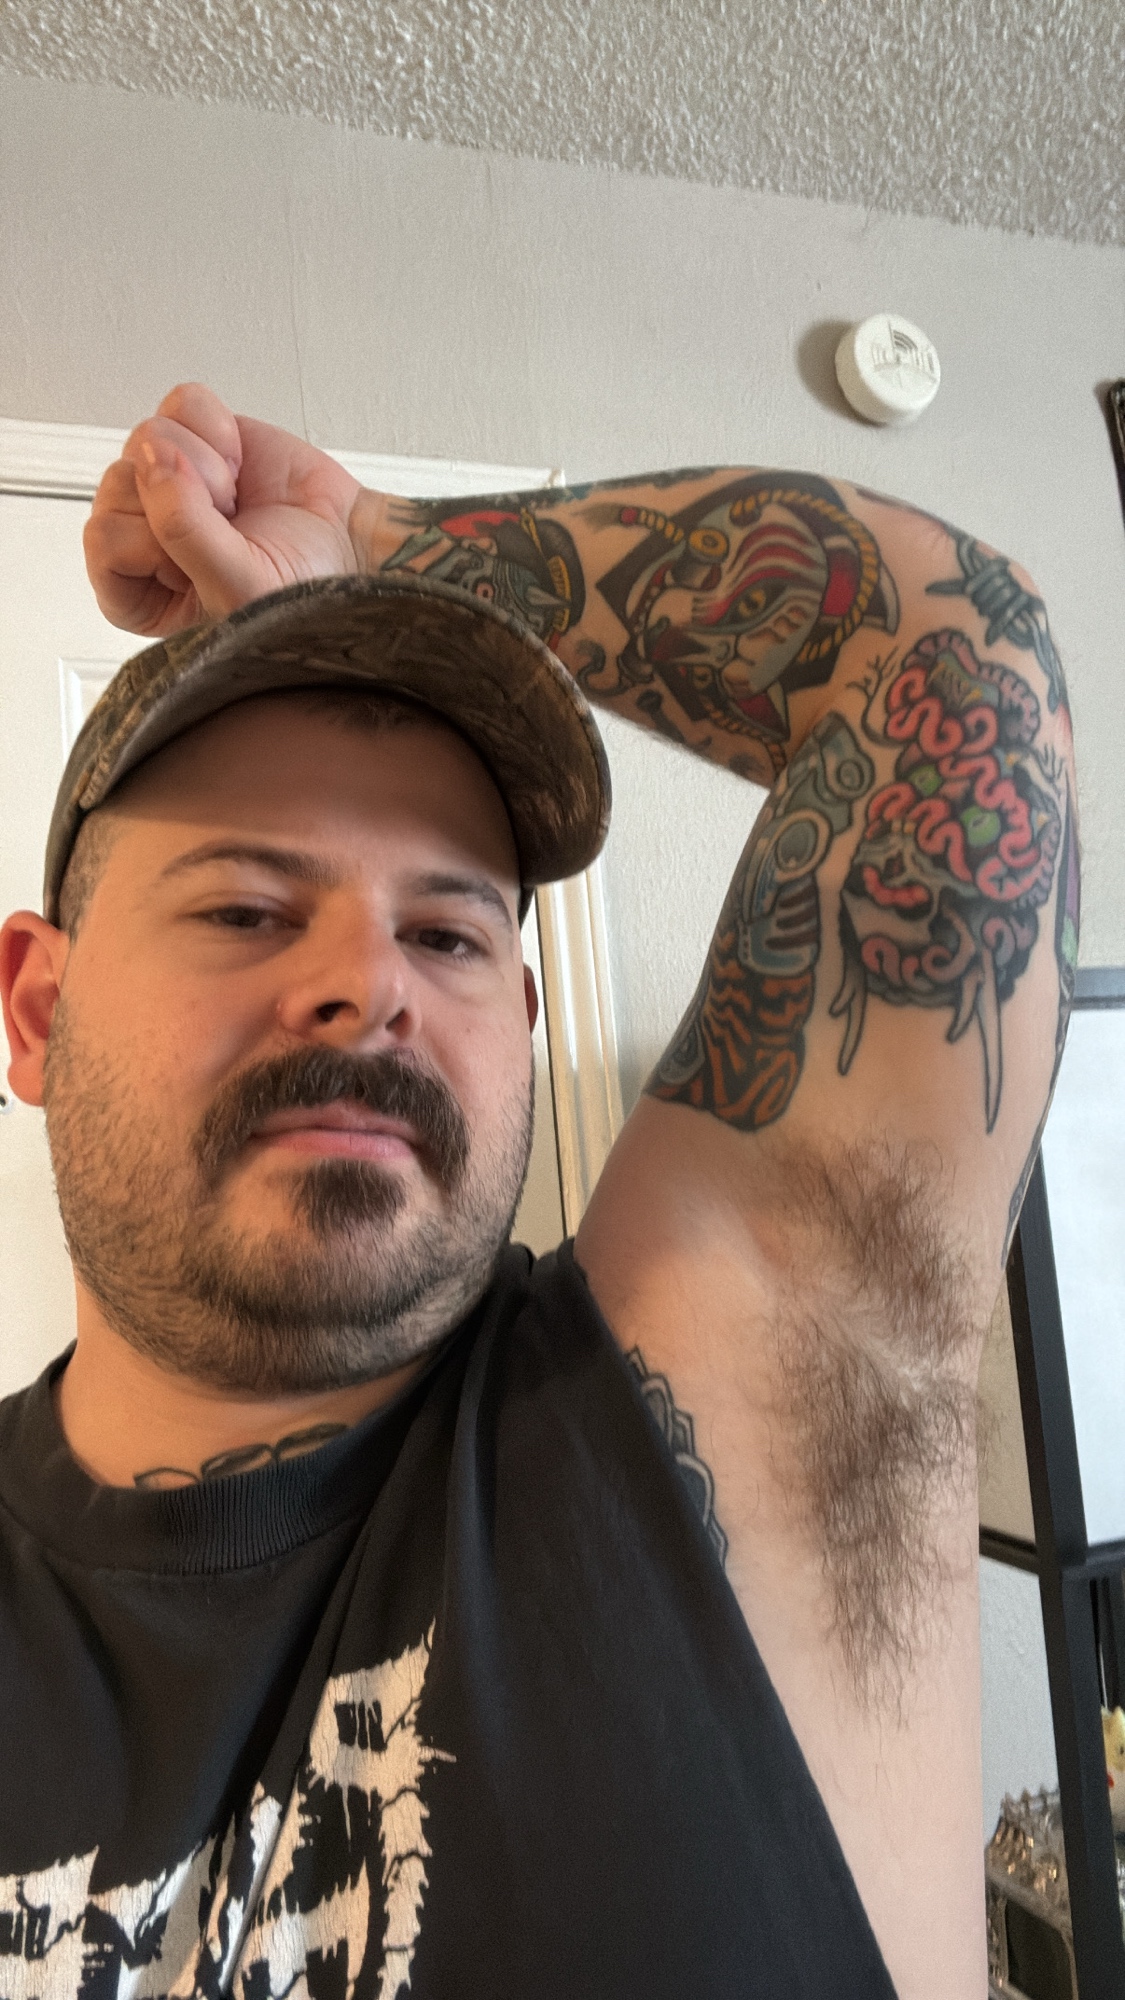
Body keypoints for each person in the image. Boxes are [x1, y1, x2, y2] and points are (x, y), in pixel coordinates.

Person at [0, 382, 1076, 1999]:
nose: (368, 987)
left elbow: (946, 661)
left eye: (446, 934)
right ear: (38, 1008)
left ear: (520, 1016)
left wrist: (374, 542)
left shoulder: (737, 1395)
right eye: (245, 910)